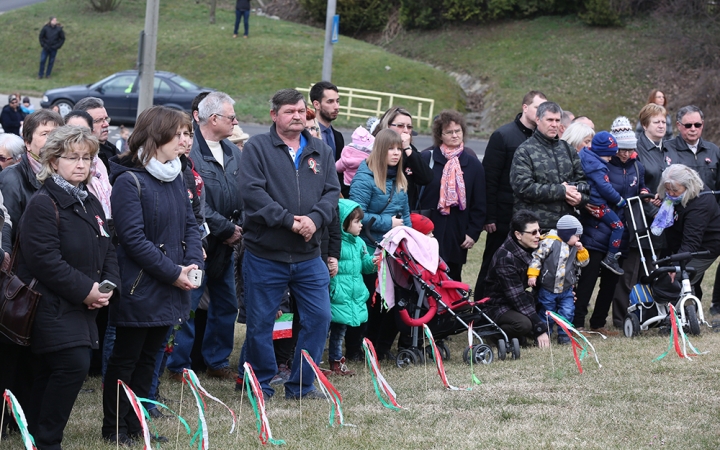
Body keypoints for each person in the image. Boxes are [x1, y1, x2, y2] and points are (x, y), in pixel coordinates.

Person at [102, 106, 202, 445]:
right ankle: (115, 428)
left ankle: (138, 424)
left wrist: (189, 266)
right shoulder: (129, 181)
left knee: (151, 360)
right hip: (141, 285)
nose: (186, 140)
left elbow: (190, 224)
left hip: (172, 283)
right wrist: (174, 272)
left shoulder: (177, 174)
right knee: (126, 359)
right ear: (157, 134)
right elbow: (133, 240)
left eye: (188, 133)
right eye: (180, 134)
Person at [16, 126, 119, 450]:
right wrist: (85, 290)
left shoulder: (91, 202)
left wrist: (105, 287)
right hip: (50, 305)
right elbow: (44, 260)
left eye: (87, 158)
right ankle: (47, 440)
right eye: (72, 157)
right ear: (52, 160)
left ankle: (35, 434)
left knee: (52, 371)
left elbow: (109, 248)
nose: (81, 164)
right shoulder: (44, 203)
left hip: (83, 303)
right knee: (72, 365)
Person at [239, 88, 340, 400]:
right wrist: (289, 221)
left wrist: (314, 219)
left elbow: (332, 193)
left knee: (320, 318)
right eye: (289, 111)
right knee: (261, 323)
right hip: (266, 255)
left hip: (309, 256)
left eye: (301, 111)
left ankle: (301, 385)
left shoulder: (321, 151)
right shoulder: (257, 148)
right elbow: (252, 193)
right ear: (274, 115)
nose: (297, 116)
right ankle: (261, 384)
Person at [166, 92, 243, 381]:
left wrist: (239, 228)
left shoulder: (235, 152)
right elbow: (193, 200)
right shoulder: (189, 152)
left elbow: (244, 193)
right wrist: (225, 229)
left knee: (226, 305)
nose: (235, 122)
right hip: (199, 245)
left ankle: (217, 361)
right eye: (231, 117)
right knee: (188, 306)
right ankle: (179, 366)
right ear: (213, 119)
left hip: (226, 248)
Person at [475, 90, 545, 298]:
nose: (541, 113)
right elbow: (490, 178)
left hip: (531, 219)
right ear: (525, 108)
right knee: (492, 264)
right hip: (504, 215)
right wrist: (490, 217)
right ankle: (480, 308)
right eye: (537, 108)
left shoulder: (542, 139)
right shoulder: (503, 136)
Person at [350, 128, 411, 358]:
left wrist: (409, 240)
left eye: (399, 149)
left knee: (390, 301)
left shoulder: (400, 178)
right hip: (367, 249)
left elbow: (405, 217)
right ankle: (358, 348)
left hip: (392, 251)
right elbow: (355, 214)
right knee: (367, 302)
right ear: (380, 151)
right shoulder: (365, 177)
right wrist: (389, 223)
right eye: (391, 149)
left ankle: (380, 348)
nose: (396, 153)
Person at [417, 110, 486, 282]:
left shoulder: (473, 164)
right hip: (428, 231)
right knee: (424, 278)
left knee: (451, 279)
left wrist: (472, 233)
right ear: (440, 135)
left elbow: (480, 203)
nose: (455, 135)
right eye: (449, 132)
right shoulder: (427, 158)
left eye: (458, 131)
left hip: (457, 233)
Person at [510, 101, 589, 231]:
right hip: (536, 229)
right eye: (550, 120)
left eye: (557, 120)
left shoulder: (568, 150)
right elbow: (523, 188)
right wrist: (561, 191)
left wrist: (580, 199)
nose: (554, 125)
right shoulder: (525, 151)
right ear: (538, 120)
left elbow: (583, 184)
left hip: (566, 229)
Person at [481, 210, 550, 347]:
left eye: (539, 231)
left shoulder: (534, 248)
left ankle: (519, 336)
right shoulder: (505, 258)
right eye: (533, 232)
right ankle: (493, 334)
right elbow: (517, 297)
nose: (538, 236)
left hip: (519, 299)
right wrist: (539, 328)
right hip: (498, 305)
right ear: (518, 234)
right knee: (524, 325)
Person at [0, 109, 63, 251]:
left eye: (57, 134)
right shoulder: (12, 178)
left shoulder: (66, 174)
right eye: (45, 134)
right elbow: (10, 233)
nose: (53, 139)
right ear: (27, 143)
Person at [327, 199, 376, 376]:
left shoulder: (360, 243)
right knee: (324, 331)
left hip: (349, 296)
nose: (361, 225)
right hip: (336, 294)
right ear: (342, 222)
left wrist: (373, 262)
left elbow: (364, 265)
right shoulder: (334, 244)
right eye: (356, 221)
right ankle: (315, 362)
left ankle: (336, 362)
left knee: (340, 332)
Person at [652, 164, 720, 288]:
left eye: (675, 190)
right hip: (680, 243)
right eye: (667, 189)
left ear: (688, 186)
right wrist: (663, 200)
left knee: (673, 283)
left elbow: (691, 242)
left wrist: (676, 267)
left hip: (704, 247)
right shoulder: (676, 196)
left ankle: (686, 304)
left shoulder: (700, 205)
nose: (671, 193)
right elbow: (674, 203)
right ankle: (687, 304)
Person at [527, 215, 589, 344]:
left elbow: (583, 263)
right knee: (546, 313)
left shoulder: (575, 248)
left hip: (566, 288)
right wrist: (532, 275)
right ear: (567, 234)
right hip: (548, 288)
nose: (578, 239)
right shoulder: (550, 242)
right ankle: (545, 334)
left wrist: (581, 250)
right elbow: (537, 259)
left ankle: (565, 336)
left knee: (568, 311)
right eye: (576, 236)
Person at [578, 131, 627, 275]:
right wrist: (619, 200)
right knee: (618, 226)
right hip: (598, 204)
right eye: (609, 155)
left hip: (591, 200)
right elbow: (605, 188)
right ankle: (610, 258)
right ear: (601, 152)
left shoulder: (587, 157)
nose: (611, 158)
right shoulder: (597, 167)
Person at [371, 106, 433, 212]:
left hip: (403, 214)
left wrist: (408, 149)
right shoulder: (373, 147)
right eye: (400, 126)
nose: (406, 131)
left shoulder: (410, 150)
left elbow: (426, 178)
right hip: (378, 213)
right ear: (387, 126)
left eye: (409, 127)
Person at [664, 105, 720, 192]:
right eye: (688, 125)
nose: (693, 129)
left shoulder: (714, 151)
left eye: (697, 125)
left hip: (709, 204)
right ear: (678, 125)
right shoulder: (666, 150)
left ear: (702, 125)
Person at [74, 97, 118, 173]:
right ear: (82, 125)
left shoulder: (112, 149)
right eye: (98, 121)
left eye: (106, 119)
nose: (106, 124)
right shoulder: (82, 159)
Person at [336, 126, 374, 198]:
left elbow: (337, 167)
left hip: (347, 184)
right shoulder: (369, 158)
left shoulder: (346, 156)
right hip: (363, 185)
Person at [310, 81, 344, 160]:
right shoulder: (306, 134)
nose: (336, 107)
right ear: (316, 105)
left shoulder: (338, 137)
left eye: (337, 101)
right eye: (330, 102)